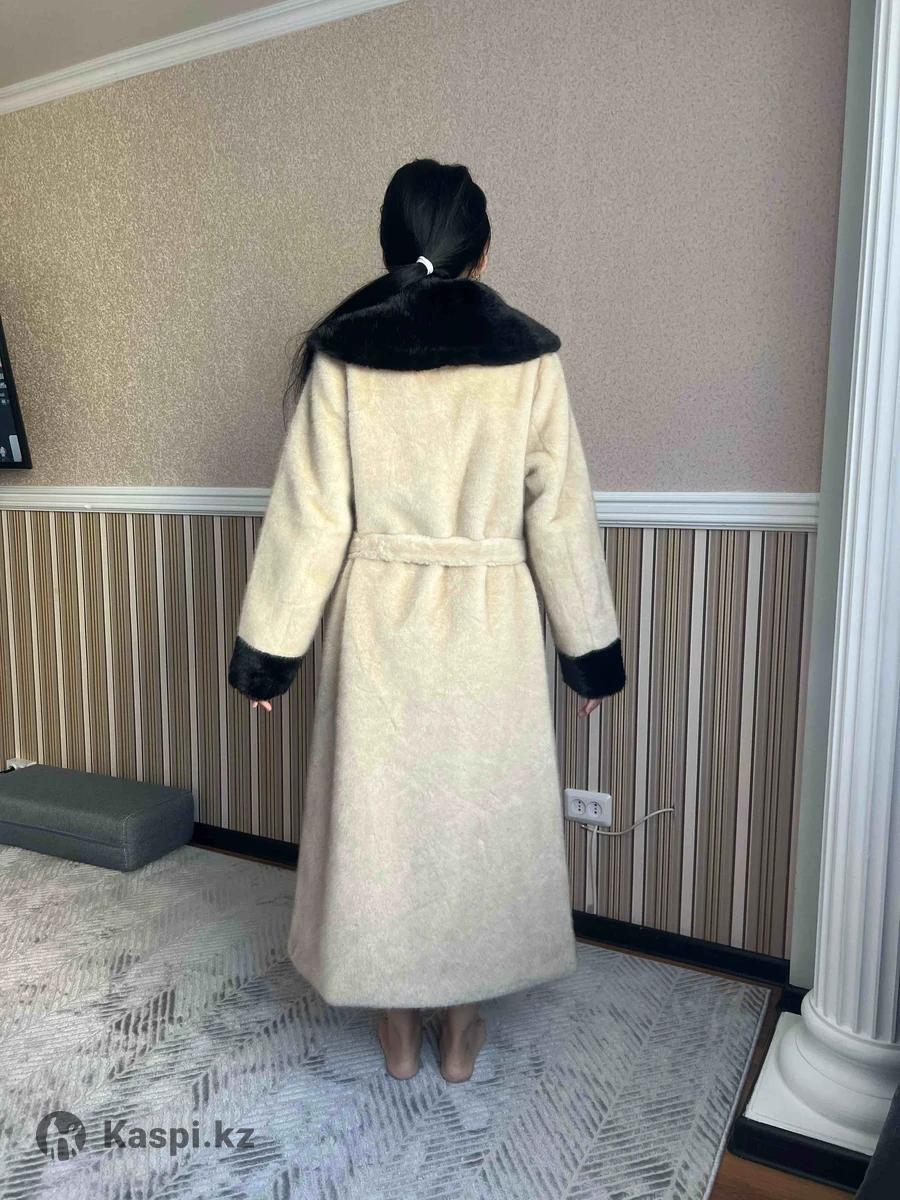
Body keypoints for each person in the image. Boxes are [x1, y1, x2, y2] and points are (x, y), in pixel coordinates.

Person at [227, 157, 627, 1084]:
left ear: (389, 246)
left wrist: (269, 656)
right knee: (474, 830)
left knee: (387, 833)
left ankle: (399, 1032)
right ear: (483, 253)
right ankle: (460, 1033)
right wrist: (589, 655)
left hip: (381, 627)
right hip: (490, 627)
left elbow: (310, 517)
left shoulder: (345, 357)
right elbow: (560, 516)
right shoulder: (530, 360)